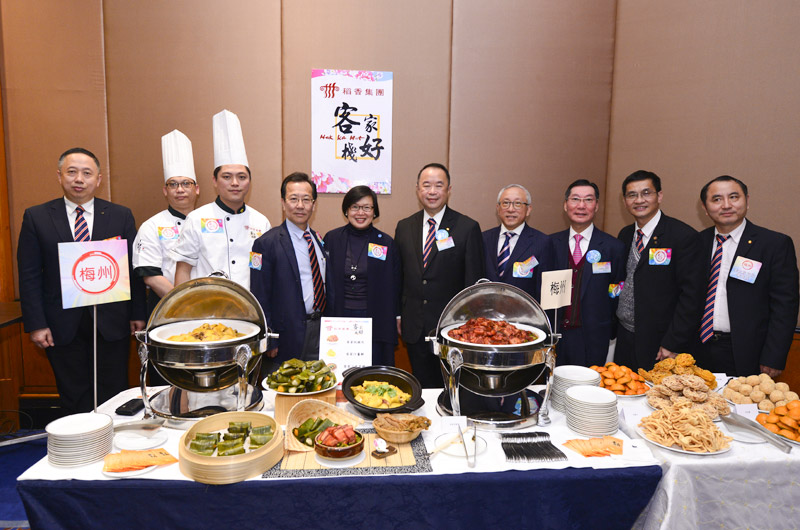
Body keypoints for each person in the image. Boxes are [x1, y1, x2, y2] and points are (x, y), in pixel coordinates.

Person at [17, 147, 146, 414]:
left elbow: (132, 268)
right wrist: (37, 324)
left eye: (87, 173)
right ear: (59, 176)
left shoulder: (120, 215)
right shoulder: (37, 217)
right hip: (61, 322)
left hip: (111, 320)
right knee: (73, 392)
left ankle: (113, 438)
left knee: (114, 390)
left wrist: (137, 314)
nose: (79, 179)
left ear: (98, 179)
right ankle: (81, 439)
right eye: (72, 172)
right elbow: (29, 274)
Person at [697, 176, 799, 377]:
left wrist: (773, 357)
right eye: (717, 199)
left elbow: (785, 306)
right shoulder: (696, 242)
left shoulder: (774, 244)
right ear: (705, 208)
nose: (726, 205)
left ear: (747, 201)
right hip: (698, 348)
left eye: (734, 197)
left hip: (748, 353)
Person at [395, 163, 484, 387]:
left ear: (448, 189)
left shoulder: (467, 227)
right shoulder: (404, 227)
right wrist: (398, 315)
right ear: (418, 189)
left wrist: (469, 324)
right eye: (426, 185)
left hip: (452, 328)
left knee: (452, 387)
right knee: (421, 386)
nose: (432, 191)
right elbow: (399, 276)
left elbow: (473, 283)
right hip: (414, 325)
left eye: (438, 185)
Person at [615, 170, 705, 371]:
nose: (639, 200)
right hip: (625, 337)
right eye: (632, 195)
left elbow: (692, 297)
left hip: (661, 343)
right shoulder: (625, 234)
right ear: (625, 201)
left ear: (660, 196)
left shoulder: (683, 237)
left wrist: (673, 342)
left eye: (646, 193)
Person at [172, 110, 270, 289]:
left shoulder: (261, 222)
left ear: (249, 181)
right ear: (215, 181)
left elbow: (264, 271)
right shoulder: (196, 219)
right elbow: (183, 270)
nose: (235, 183)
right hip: (205, 303)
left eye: (242, 177)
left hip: (248, 304)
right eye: (226, 177)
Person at [250, 172, 334, 372]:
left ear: (314, 204)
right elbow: (259, 294)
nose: (300, 205)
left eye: (306, 199)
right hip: (285, 335)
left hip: (319, 329)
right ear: (283, 202)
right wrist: (270, 338)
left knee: (317, 383)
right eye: (293, 199)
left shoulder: (318, 239)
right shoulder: (264, 243)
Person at [548, 179, 625, 367]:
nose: (581, 206)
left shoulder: (613, 247)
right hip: (554, 336)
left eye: (588, 200)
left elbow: (617, 290)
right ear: (565, 205)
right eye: (575, 199)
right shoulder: (549, 244)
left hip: (593, 337)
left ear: (596, 206)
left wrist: (609, 327)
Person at [323, 185, 401, 367]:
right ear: (346, 210)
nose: (360, 213)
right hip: (339, 317)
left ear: (374, 212)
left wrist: (398, 316)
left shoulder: (385, 243)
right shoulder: (332, 239)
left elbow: (395, 284)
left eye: (366, 207)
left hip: (375, 317)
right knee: (340, 368)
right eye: (355, 207)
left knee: (373, 369)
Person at [133, 130, 199, 315]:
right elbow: (151, 276)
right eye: (173, 184)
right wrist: (183, 305)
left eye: (186, 183)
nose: (180, 189)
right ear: (165, 190)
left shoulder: (208, 222)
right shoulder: (152, 226)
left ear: (197, 189)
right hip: (166, 306)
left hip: (210, 304)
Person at [482, 184, 550, 301]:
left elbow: (544, 290)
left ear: (528, 210)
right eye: (506, 203)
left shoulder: (542, 242)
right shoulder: (483, 238)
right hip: (487, 310)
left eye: (517, 203)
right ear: (498, 208)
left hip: (523, 311)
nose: (511, 209)